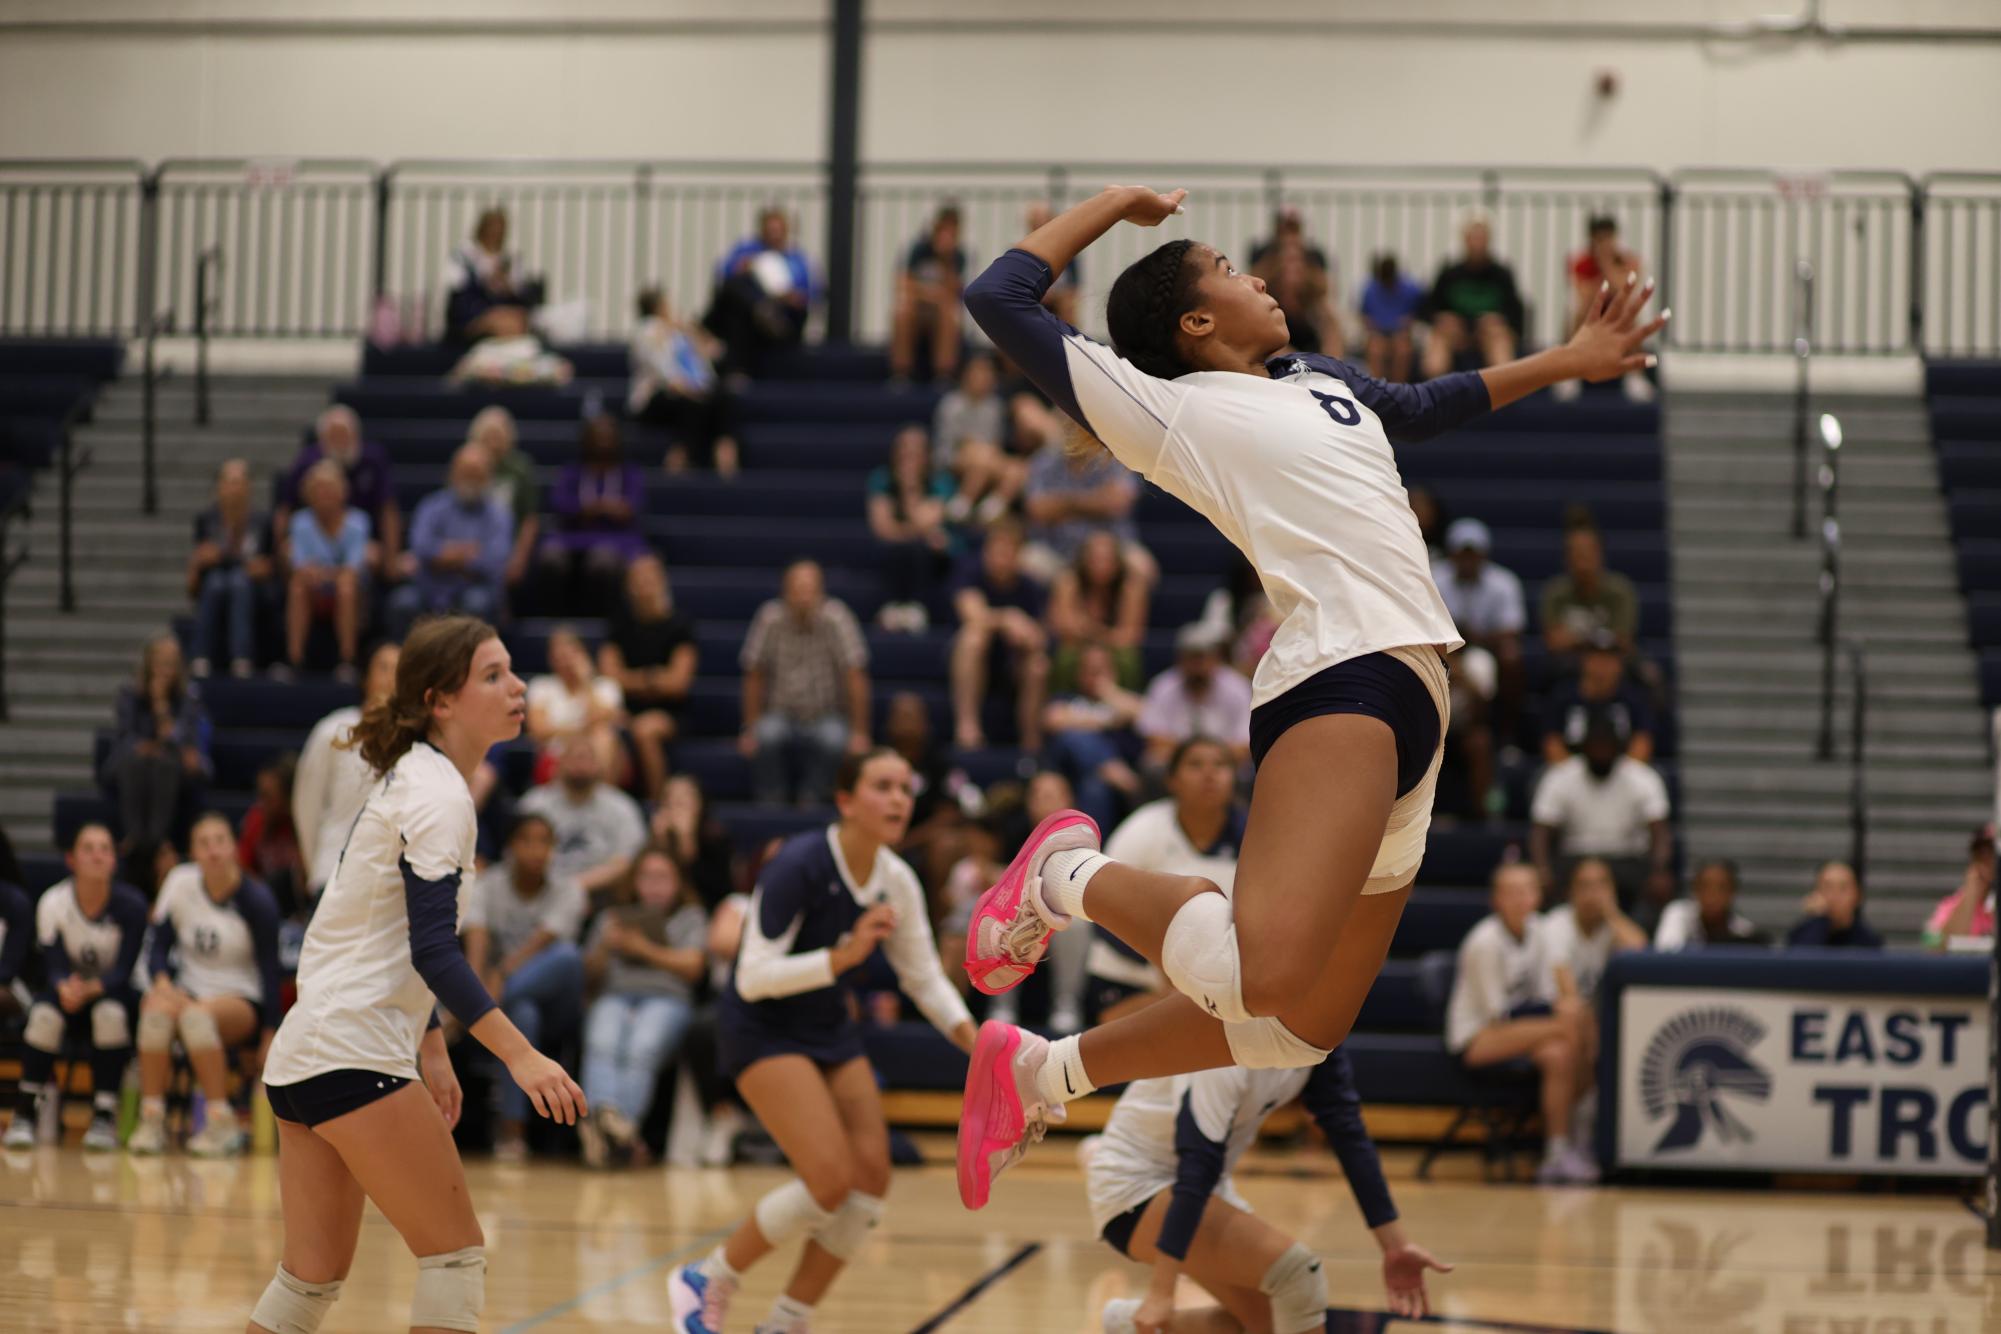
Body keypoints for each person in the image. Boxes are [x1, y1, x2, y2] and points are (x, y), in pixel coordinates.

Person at [943, 184, 1663, 1208]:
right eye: (1232, 272)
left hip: (1422, 684)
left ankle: (1039, 1072)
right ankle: (1067, 875)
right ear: (1194, 322)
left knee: (1295, 1025)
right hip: (1340, 669)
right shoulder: (1166, 408)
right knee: (1261, 976)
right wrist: (1113, 206)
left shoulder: (1316, 376)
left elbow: (1422, 405)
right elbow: (1000, 294)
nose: (1262, 278)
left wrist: (1568, 361)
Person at [248, 615, 583, 1334]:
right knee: (454, 1259)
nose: (517, 686)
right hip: (355, 1051)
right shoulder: (438, 796)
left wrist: (430, 1047)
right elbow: (435, 949)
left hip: (305, 1053)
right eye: (492, 676)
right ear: (441, 701)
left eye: (511, 671)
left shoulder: (411, 781)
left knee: (307, 1282)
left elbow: (386, 936)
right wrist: (520, 1057)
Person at [667, 749, 976, 1334]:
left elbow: (924, 977)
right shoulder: (799, 865)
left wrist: (975, 1041)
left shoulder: (897, 879)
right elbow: (753, 976)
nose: (898, 799)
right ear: (845, 800)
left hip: (827, 1027)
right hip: (761, 1025)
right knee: (830, 1180)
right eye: (882, 786)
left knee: (872, 1177)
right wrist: (844, 957)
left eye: (905, 789)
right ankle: (708, 1277)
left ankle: (786, 1320)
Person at [1087, 1051, 1449, 1334]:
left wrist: (1394, 1245)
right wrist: (1161, 1291)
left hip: (1202, 1184)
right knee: (1296, 1275)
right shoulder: (1223, 1032)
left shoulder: (1319, 1028)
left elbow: (1345, 1127)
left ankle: (1124, 1325)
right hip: (1136, 1184)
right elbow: (1197, 1164)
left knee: (1268, 1324)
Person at [128, 812, 284, 1158]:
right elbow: (157, 946)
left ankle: (220, 1122)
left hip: (240, 999)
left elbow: (272, 972)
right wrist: (163, 983)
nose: (213, 850)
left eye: (220, 841)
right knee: (155, 1011)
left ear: (233, 848)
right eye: (204, 843)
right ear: (193, 852)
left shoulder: (257, 901)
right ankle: (152, 1120)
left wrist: (270, 1033)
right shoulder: (181, 885)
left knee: (196, 1018)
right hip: (188, 992)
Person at [1446, 863, 1598, 1185]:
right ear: (1495, 900)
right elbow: (1499, 1016)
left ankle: (1557, 1152)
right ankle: (1584, 1130)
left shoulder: (1541, 932)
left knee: (1559, 1052)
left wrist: (1562, 1007)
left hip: (1522, 1030)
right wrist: (1562, 1014)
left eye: (1526, 891)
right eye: (1510, 892)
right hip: (1478, 1038)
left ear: (1538, 896)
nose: (1519, 899)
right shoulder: (1483, 941)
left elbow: (1551, 992)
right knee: (1573, 1024)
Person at [3, 824, 149, 1151]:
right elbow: (53, 966)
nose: (97, 855)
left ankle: (104, 1114)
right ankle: (25, 1111)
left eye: (105, 849)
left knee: (110, 1015)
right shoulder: (53, 902)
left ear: (114, 860)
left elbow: (124, 970)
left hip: (112, 994)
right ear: (71, 859)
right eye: (88, 848)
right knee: (43, 1016)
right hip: (65, 993)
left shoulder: (133, 906)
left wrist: (93, 988)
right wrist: (64, 987)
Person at [1083, 737, 1243, 1030]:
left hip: (1225, 977)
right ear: (1172, 780)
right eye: (1195, 765)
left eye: (1220, 765)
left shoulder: (1255, 835)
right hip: (1135, 972)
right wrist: (1162, 965)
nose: (1209, 774)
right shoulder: (1142, 829)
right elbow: (1101, 907)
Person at [463, 812, 588, 1162]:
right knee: (522, 1016)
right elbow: (477, 941)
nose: (536, 850)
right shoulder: (488, 885)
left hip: (560, 1003)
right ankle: (512, 1131)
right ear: (510, 846)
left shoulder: (569, 889)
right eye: (526, 840)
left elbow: (542, 944)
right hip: (512, 1003)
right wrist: (474, 984)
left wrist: (482, 996)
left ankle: (471, 1017)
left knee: (567, 955)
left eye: (544, 842)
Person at [577, 846, 708, 1168]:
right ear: (634, 881)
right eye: (647, 877)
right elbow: (589, 975)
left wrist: (643, 949)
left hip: (667, 999)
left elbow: (694, 967)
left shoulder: (690, 916)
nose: (654, 886)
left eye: (663, 877)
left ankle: (606, 1130)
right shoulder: (613, 917)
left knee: (641, 1047)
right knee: (602, 1042)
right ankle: (619, 1133)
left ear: (678, 882)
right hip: (615, 996)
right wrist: (606, 947)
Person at [739, 559, 872, 806]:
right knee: (765, 736)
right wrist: (749, 726)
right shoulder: (769, 618)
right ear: (784, 591)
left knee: (834, 740)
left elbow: (855, 675)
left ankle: (811, 798)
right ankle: (771, 801)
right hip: (780, 712)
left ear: (821, 591)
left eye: (809, 589)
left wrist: (860, 731)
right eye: (796, 589)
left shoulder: (838, 618)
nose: (803, 596)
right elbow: (754, 673)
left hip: (827, 713)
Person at [1529, 715, 1673, 916]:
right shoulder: (1560, 776)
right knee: (1539, 883)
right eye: (1595, 745)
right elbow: (1541, 831)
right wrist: (1542, 870)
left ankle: (1640, 942)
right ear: (1584, 747)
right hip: (1575, 855)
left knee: (1659, 886)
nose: (1601, 751)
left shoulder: (1643, 777)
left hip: (1626, 857)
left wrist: (1659, 869)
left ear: (1618, 747)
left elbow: (1660, 831)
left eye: (1607, 745)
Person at [293, 642, 401, 903]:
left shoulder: (415, 741)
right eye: (383, 668)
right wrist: (316, 864)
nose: (391, 678)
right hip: (334, 873)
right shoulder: (334, 729)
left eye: (400, 670)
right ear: (366, 678)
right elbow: (306, 805)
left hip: (389, 885)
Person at [101, 634, 211, 880]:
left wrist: (161, 706)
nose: (166, 670)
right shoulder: (129, 694)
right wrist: (144, 747)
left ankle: (156, 839)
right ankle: (134, 835)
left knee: (164, 763)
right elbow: (123, 738)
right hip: (134, 763)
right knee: (136, 762)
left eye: (171, 663)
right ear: (149, 664)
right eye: (161, 663)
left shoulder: (188, 697)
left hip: (174, 767)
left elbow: (183, 742)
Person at [601, 555, 699, 802]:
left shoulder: (679, 625)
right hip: (625, 710)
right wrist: (653, 679)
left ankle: (657, 803)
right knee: (604, 730)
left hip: (670, 713)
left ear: (662, 582)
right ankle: (604, 804)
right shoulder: (619, 624)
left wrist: (632, 680)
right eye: (638, 579)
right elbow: (608, 676)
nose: (644, 585)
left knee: (645, 730)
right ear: (628, 585)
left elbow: (678, 683)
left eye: (650, 579)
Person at [389, 443, 512, 637]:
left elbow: (493, 561)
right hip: (429, 588)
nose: (471, 479)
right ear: (453, 473)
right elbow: (420, 547)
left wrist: (443, 556)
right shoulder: (432, 506)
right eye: (466, 472)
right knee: (403, 602)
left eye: (476, 473)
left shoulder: (498, 515)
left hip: (474, 589)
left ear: (488, 476)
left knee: (476, 603)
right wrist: (466, 553)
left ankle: (470, 666)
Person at [948, 518, 1050, 751]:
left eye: (1007, 552)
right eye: (995, 551)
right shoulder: (969, 573)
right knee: (974, 637)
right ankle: (967, 726)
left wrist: (1026, 636)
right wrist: (1007, 619)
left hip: (1011, 663)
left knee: (1038, 665)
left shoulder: (1029, 587)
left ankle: (1030, 740)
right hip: (971, 660)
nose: (1000, 559)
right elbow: (973, 615)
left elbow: (1040, 637)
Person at [516, 739, 648, 910]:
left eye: (586, 759)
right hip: (540, 895)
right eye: (573, 758)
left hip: (604, 898)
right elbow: (517, 852)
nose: (580, 765)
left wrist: (575, 889)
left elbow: (627, 861)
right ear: (558, 764)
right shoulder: (534, 804)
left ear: (599, 766)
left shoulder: (621, 806)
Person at [540, 413, 649, 619]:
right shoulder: (572, 472)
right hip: (572, 537)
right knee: (550, 558)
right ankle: (555, 619)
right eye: (598, 436)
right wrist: (605, 508)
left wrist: (590, 509)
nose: (603, 441)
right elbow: (560, 504)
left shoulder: (629, 473)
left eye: (608, 436)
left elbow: (631, 508)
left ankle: (600, 621)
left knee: (602, 562)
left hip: (616, 539)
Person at [276, 406, 399, 579]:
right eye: (334, 437)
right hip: (314, 535)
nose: (340, 442)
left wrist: (390, 558)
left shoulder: (373, 460)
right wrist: (279, 552)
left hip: (359, 538)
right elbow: (285, 507)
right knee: (298, 573)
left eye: (345, 435)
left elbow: (388, 509)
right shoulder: (306, 462)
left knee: (355, 572)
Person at [630, 286, 740, 477]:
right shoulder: (647, 330)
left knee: (723, 399)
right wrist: (690, 389)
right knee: (693, 405)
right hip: (657, 397)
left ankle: (726, 456)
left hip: (688, 391)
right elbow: (664, 370)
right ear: (658, 306)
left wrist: (692, 332)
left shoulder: (679, 331)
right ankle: (678, 461)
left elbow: (714, 355)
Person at [1043, 641, 1147, 838]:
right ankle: (1110, 767)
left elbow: (1146, 715)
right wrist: (1110, 719)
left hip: (1114, 784)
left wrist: (1109, 692)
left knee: (1095, 786)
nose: (1095, 676)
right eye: (1089, 670)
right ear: (1078, 674)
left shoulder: (1123, 698)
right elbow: (1054, 720)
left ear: (1114, 672)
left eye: (1101, 670)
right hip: (1078, 776)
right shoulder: (1067, 699)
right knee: (1074, 738)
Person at [187, 458, 274, 679]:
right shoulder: (207, 520)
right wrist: (200, 561)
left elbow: (269, 564)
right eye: (229, 482)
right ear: (219, 487)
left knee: (239, 581)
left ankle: (241, 658)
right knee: (217, 582)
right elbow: (199, 562)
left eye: (239, 482)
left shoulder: (262, 520)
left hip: (251, 584)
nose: (234, 489)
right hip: (216, 579)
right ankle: (200, 657)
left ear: (249, 487)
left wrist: (263, 567)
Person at [284, 460, 371, 679]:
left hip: (351, 590)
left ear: (342, 492)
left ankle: (346, 660)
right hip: (314, 589)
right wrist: (321, 573)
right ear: (309, 494)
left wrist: (325, 573)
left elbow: (353, 568)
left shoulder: (358, 521)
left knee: (346, 586)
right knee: (297, 586)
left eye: (330, 489)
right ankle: (295, 659)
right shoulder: (300, 522)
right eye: (319, 489)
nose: (325, 495)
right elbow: (300, 566)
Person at [706, 205, 816, 378]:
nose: (774, 235)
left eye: (777, 230)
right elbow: (725, 280)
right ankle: (760, 308)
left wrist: (784, 296)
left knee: (740, 308)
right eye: (769, 230)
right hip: (751, 315)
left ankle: (737, 367)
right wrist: (746, 269)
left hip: (782, 317)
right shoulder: (746, 251)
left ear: (786, 231)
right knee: (737, 287)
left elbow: (808, 296)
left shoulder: (797, 260)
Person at [1022, 429, 1145, 582]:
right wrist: (1096, 501)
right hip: (1056, 548)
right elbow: (1037, 509)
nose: (1074, 432)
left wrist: (1065, 505)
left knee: (1141, 567)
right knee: (1029, 562)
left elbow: (1118, 502)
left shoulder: (1112, 456)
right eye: (1069, 425)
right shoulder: (1044, 460)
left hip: (1110, 544)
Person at [867, 424, 957, 633]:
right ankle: (893, 608)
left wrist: (910, 490)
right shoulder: (881, 479)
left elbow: (929, 518)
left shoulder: (941, 481)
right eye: (905, 448)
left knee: (920, 548)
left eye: (917, 450)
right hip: (899, 549)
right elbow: (883, 528)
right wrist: (917, 531)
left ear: (927, 455)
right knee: (904, 547)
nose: (910, 455)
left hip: (933, 555)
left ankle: (916, 607)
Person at [1420, 214, 1526, 380]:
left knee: (1500, 345)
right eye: (1473, 238)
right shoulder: (1449, 273)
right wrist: (1443, 319)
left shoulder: (1502, 274)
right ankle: (1435, 398)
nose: (1477, 243)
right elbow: (1428, 308)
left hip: (1489, 336)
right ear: (1464, 240)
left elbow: (1516, 314)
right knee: (1436, 351)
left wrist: (1498, 321)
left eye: (1481, 238)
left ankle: (1502, 399)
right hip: (1455, 335)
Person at [1137, 624, 1254, 773]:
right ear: (1180, 659)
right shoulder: (1163, 686)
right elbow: (1155, 740)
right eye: (1192, 658)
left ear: (1216, 658)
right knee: (1151, 765)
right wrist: (1195, 759)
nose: (1199, 666)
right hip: (1176, 765)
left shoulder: (1237, 688)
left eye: (1203, 657)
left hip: (1226, 764)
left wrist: (1207, 760)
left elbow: (1243, 746)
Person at [1562, 215, 1654, 403]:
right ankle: (1570, 374)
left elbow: (1625, 289)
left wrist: (1606, 264)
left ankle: (1634, 375)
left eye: (1608, 238)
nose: (1605, 244)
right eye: (1600, 239)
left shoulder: (1629, 260)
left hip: (1617, 315)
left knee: (1629, 313)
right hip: (1591, 315)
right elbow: (1584, 295)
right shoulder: (1579, 262)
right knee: (1576, 313)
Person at [1047, 529, 1151, 693]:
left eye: (1106, 559)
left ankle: (1125, 705)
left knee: (1128, 658)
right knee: (1066, 657)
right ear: (1084, 560)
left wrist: (1090, 629)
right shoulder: (1069, 581)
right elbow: (1064, 627)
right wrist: (1103, 635)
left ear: (1117, 562)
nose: (1100, 565)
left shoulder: (1130, 587)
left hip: (1112, 648)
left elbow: (1131, 635)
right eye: (1095, 559)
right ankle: (1063, 700)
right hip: (1079, 646)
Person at [1538, 857, 1648, 1004]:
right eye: (1585, 885)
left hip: (1605, 1008)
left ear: (1613, 890)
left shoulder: (1615, 924)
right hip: (1567, 1007)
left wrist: (1611, 913)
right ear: (1571, 891)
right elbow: (1566, 991)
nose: (1593, 893)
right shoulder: (1556, 923)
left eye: (1601, 885)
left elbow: (1641, 956)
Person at [526, 625, 627, 780]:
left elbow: (602, 718)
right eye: (558, 657)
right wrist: (582, 729)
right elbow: (538, 731)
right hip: (557, 755)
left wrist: (586, 681)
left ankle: (599, 796)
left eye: (569, 655)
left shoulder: (605, 686)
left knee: (603, 735)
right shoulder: (541, 686)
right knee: (592, 739)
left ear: (583, 654)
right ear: (550, 659)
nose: (565, 662)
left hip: (597, 754)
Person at [1543, 628, 1654, 765]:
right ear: (1584, 661)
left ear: (1619, 664)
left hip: (1622, 775)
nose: (1602, 666)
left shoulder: (1633, 699)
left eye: (1609, 659)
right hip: (1570, 776)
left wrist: (1617, 775)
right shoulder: (1564, 697)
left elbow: (1642, 743)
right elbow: (1552, 742)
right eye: (1596, 658)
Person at [1540, 523, 1640, 670]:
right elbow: (1554, 642)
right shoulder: (1555, 593)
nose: (1582, 562)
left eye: (1587, 553)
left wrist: (1576, 638)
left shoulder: (1620, 591)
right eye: (1577, 554)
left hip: (1613, 665)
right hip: (1570, 666)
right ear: (1567, 558)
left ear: (1600, 554)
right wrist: (1601, 638)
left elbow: (1623, 640)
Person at [889, 203, 968, 383]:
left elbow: (955, 291)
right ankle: (901, 374)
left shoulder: (958, 256)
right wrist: (931, 295)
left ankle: (943, 374)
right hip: (918, 308)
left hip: (940, 311)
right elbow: (904, 283)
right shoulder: (919, 249)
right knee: (902, 313)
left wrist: (946, 259)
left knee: (949, 315)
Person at [1248, 206, 1342, 356]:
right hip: (1274, 304)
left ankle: (1332, 363)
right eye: (1285, 228)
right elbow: (1254, 285)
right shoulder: (1263, 253)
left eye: (1293, 228)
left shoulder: (1313, 254)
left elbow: (1325, 288)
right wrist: (1279, 262)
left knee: (1329, 314)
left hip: (1305, 309)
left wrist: (1302, 271)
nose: (1289, 234)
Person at [469, 406, 540, 596]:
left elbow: (530, 518)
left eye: (498, 436)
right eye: (487, 436)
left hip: (507, 546)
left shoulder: (519, 468)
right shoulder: (468, 465)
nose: (493, 443)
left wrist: (519, 558)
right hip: (473, 545)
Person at [650, 773, 739, 913]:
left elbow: (718, 895)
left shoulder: (716, 841)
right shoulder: (655, 837)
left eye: (684, 798)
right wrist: (659, 843)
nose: (676, 805)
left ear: (701, 803)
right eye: (669, 798)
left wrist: (687, 841)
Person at [444, 206, 534, 344]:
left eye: (501, 229)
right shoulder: (463, 256)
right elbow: (458, 293)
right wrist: (487, 280)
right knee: (502, 323)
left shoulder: (510, 258)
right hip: (471, 316)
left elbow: (520, 294)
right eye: (492, 228)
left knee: (517, 320)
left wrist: (506, 284)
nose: (497, 233)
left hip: (502, 311)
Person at [238, 753, 306, 916]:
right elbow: (241, 872)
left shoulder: (304, 823)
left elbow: (308, 879)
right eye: (259, 794)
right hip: (263, 907)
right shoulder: (256, 818)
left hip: (300, 908)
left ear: (288, 797)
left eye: (268, 796)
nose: (261, 803)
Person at [1654, 859, 1771, 951]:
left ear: (1733, 892)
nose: (1713, 895)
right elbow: (1666, 953)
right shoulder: (1677, 913)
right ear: (1695, 890)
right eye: (1705, 887)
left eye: (1721, 888)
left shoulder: (1744, 932)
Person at [1922, 824, 1996, 952]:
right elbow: (1934, 947)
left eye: (1992, 855)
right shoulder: (1949, 906)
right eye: (1980, 855)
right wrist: (1971, 894)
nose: (1986, 862)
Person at [1786, 860, 1885, 949]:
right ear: (1815, 892)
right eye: (1827, 887)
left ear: (1858, 895)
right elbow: (1803, 963)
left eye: (1843, 888)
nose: (1834, 896)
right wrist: (1819, 919)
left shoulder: (1868, 942)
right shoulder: (1801, 934)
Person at [1360, 253, 1425, 384]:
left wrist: (1408, 324)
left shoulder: (1410, 289)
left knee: (1402, 349)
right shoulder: (1370, 290)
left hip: (1401, 334)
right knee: (1375, 348)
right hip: (1378, 333)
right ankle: (1376, 388)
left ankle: (1397, 388)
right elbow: (1365, 317)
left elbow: (1419, 314)